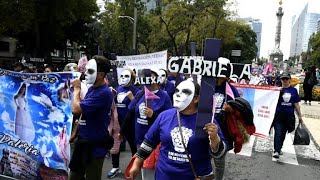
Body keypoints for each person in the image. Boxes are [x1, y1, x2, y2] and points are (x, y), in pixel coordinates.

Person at [128, 79, 227, 180]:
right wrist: (137, 163)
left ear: (196, 98)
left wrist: (215, 139)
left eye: (185, 92)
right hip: (164, 175)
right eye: (176, 91)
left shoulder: (207, 121)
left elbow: (220, 153)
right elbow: (149, 142)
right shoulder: (164, 116)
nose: (178, 95)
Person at [121, 68, 172, 180]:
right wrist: (122, 132)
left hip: (156, 142)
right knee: (144, 172)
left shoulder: (164, 96)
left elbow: (169, 120)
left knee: (155, 172)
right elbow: (131, 110)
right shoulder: (140, 93)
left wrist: (153, 115)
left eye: (150, 76)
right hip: (140, 139)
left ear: (156, 79)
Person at [69, 56, 114, 180]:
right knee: (74, 176)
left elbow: (76, 109)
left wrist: (77, 89)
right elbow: (85, 111)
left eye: (90, 71)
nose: (85, 74)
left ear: (100, 75)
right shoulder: (92, 89)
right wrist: (75, 131)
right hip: (83, 142)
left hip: (95, 146)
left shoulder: (104, 93)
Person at [107, 68, 139, 178]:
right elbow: (112, 105)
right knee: (115, 146)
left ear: (132, 78)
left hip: (131, 123)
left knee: (133, 146)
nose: (123, 78)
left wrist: (132, 98)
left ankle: (134, 167)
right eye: (122, 76)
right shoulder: (118, 89)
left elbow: (139, 108)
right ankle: (115, 167)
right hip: (118, 123)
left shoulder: (136, 90)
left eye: (126, 76)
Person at [272, 72, 303, 158]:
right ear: (281, 80)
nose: (285, 80)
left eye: (286, 79)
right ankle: (276, 150)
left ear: (290, 80)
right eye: (283, 79)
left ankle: (279, 147)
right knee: (278, 132)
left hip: (289, 116)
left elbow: (296, 104)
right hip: (278, 115)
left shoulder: (294, 90)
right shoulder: (277, 90)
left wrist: (300, 116)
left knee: (283, 133)